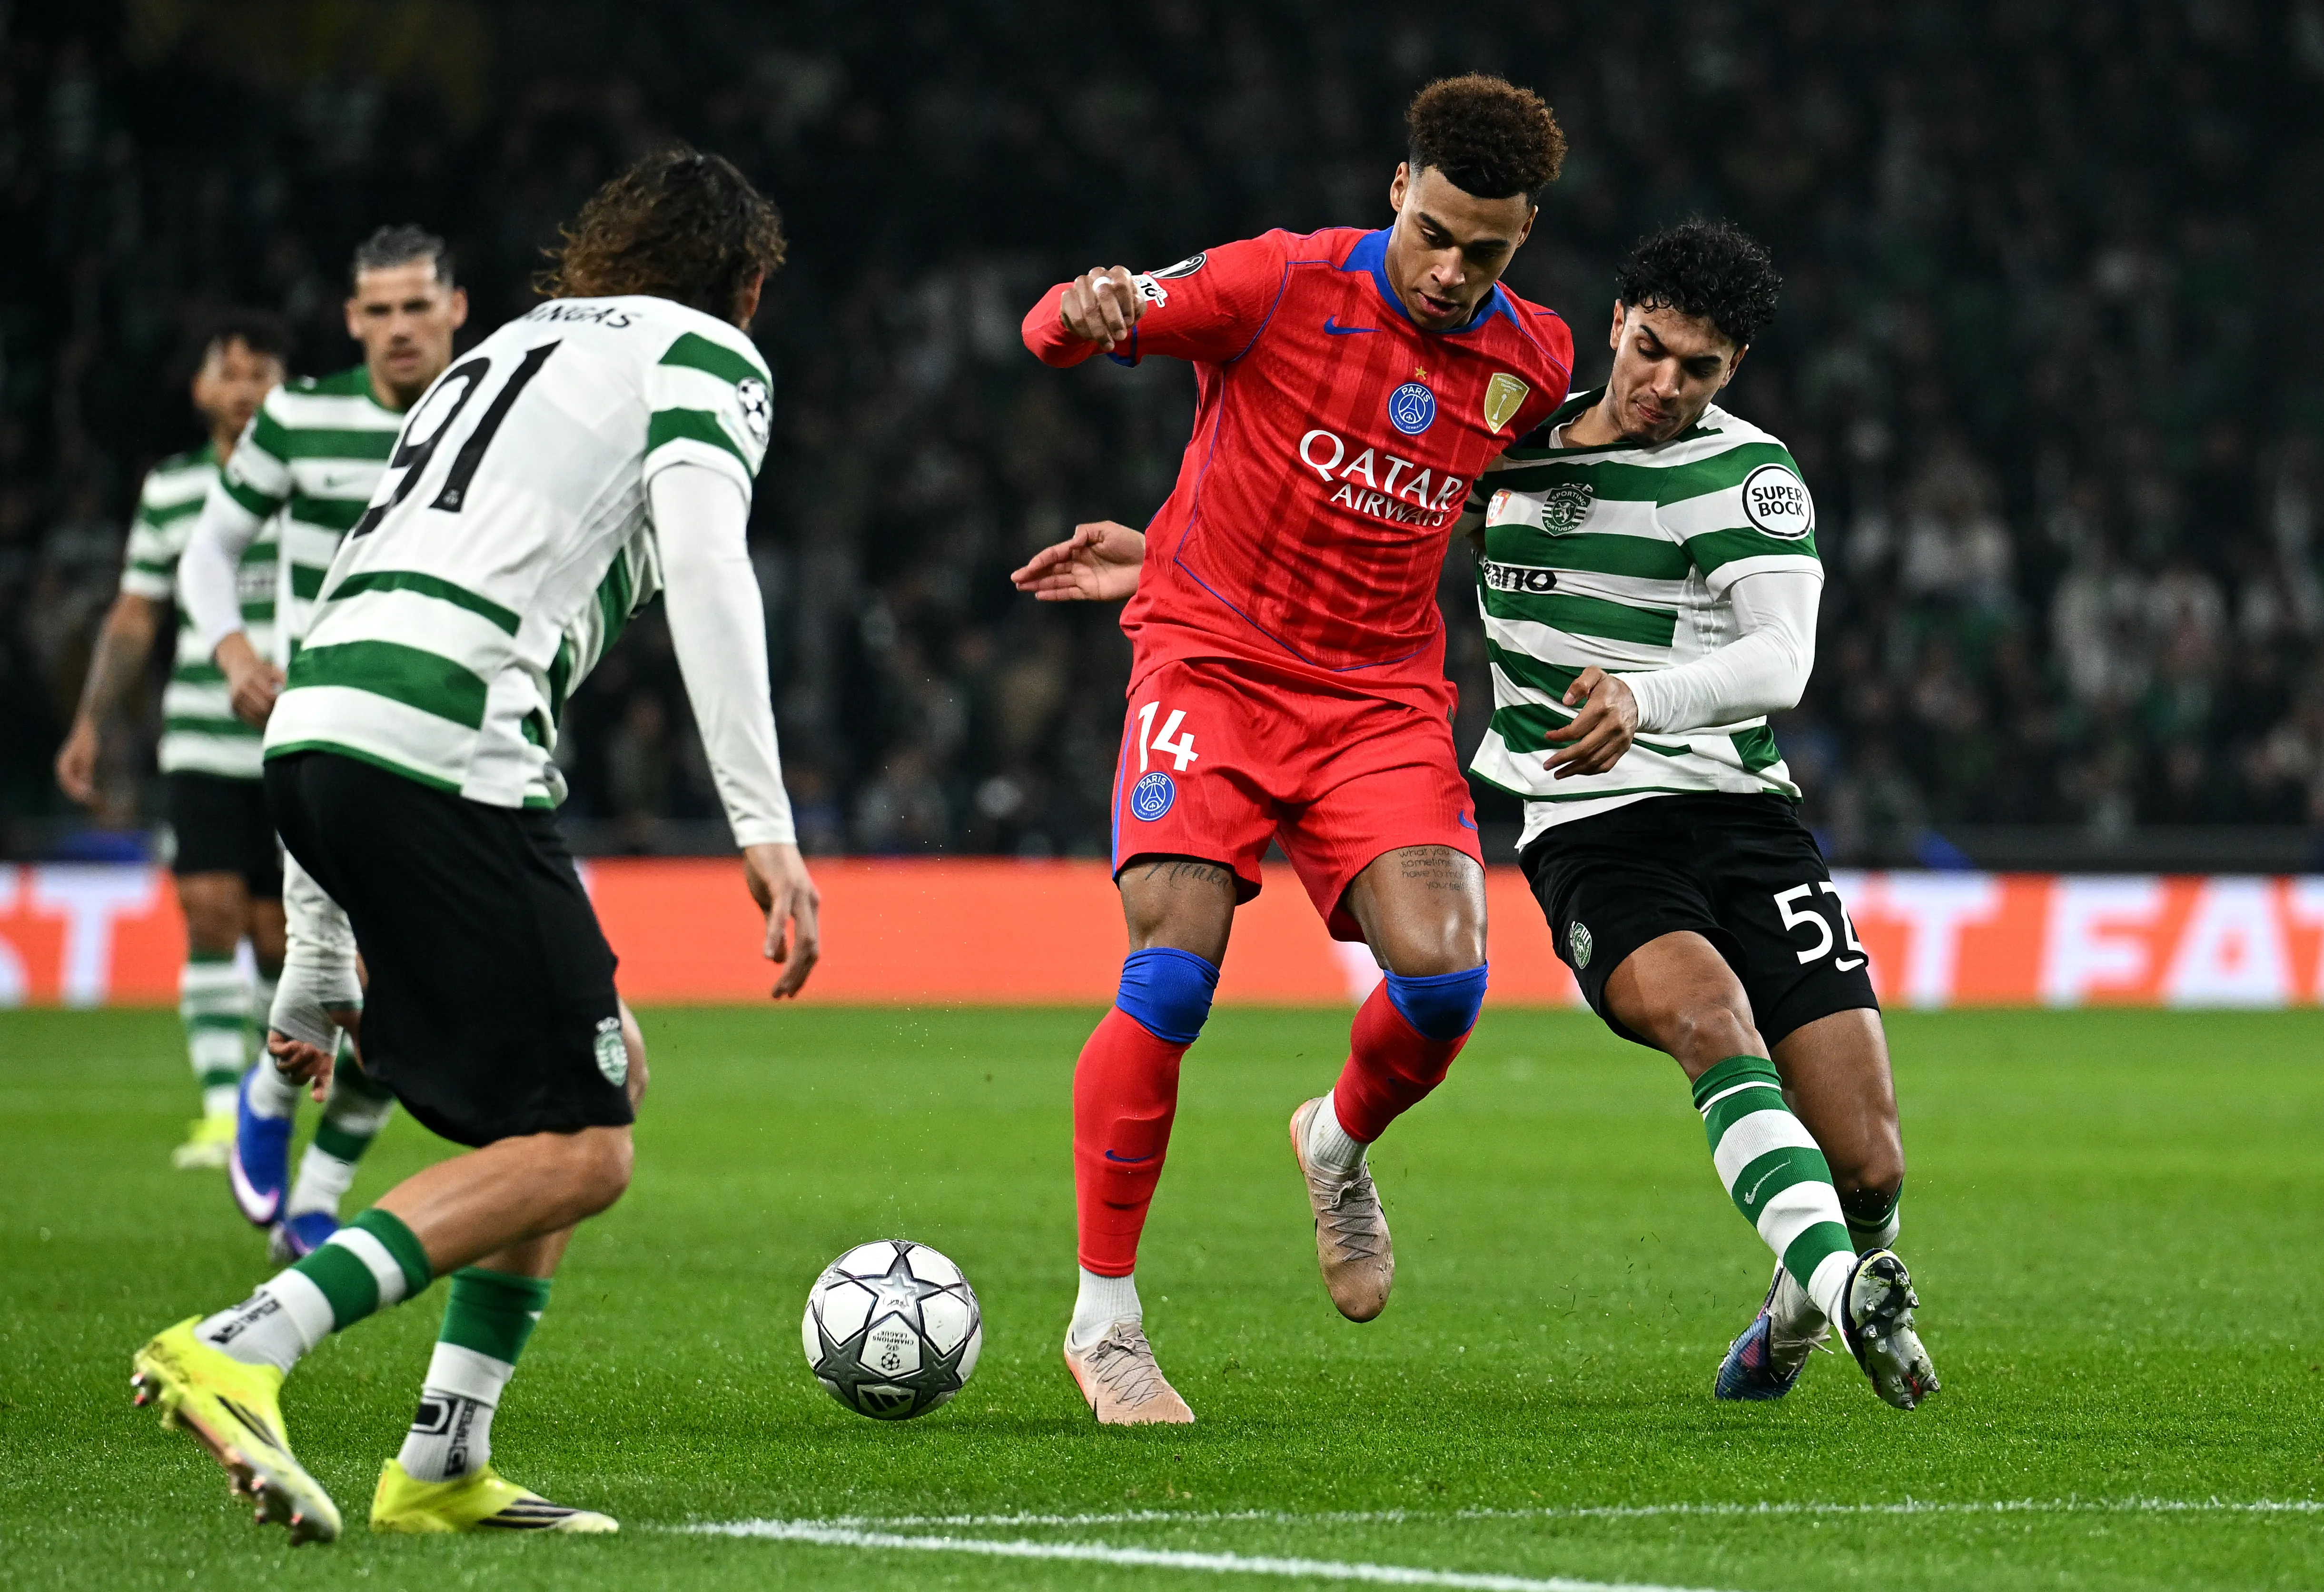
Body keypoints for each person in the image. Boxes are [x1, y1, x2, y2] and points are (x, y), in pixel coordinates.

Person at [132, 144, 822, 1540]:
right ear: (748, 285)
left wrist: (317, 961)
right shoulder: (706, 358)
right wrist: (765, 820)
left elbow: (349, 589)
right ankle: (247, 1341)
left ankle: (444, 1458)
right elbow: (704, 562)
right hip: (445, 743)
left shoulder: (489, 358)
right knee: (588, 1143)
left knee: (597, 1068)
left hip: (324, 730)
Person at [1012, 75, 1573, 1424]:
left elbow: (1438, 498)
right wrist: (1089, 312)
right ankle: (1106, 1320)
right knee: (1170, 978)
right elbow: (1052, 333)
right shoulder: (1277, 280)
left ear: (1524, 240)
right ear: (1398, 190)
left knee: (1444, 983)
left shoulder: (1535, 361)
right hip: (1208, 665)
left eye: (1484, 252)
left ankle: (1335, 1140)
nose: (1449, 272)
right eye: (1434, 233)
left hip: (1379, 697)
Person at [1465, 219, 1938, 1409]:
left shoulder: (1746, 474)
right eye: (1652, 350)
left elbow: (1782, 660)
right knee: (1708, 1019)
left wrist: (1644, 696)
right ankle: (1845, 1293)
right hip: (1589, 828)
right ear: (1616, 319)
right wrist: (1165, 555)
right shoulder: (1502, 447)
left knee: (1867, 1160)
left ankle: (1791, 1318)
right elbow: (1345, 528)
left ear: (1734, 371)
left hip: (1741, 818)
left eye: (1701, 368)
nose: (1667, 384)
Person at [189, 225, 468, 1258]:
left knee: (416, 994)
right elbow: (208, 549)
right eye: (379, 310)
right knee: (334, 971)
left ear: (457, 307)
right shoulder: (301, 417)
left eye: (416, 307)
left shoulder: (483, 413)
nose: (399, 329)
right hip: (330, 726)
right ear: (352, 319)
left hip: (448, 734)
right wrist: (232, 654)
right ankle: (271, 1090)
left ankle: (320, 1189)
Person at [53, 315, 290, 1168]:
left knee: (276, 936)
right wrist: (91, 720)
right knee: (209, 911)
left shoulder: (313, 483)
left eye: (260, 373)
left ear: (285, 390)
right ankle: (223, 1111)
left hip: (296, 736)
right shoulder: (174, 489)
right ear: (200, 390)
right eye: (229, 372)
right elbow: (135, 612)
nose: (242, 388)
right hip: (201, 734)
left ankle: (267, 1105)